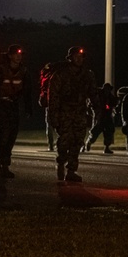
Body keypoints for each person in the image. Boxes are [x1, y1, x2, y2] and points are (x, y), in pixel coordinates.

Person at [47, 46, 97, 182]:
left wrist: (97, 109)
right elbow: (53, 97)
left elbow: (93, 94)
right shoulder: (60, 75)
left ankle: (71, 170)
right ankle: (61, 162)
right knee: (64, 141)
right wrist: (54, 117)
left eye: (81, 57)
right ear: (70, 58)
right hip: (64, 113)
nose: (79, 59)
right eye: (76, 57)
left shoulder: (88, 74)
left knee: (78, 142)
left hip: (80, 113)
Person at [0, 44, 32, 178]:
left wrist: (28, 108)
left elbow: (27, 91)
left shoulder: (23, 71)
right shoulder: (0, 70)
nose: (19, 56)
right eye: (16, 54)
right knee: (4, 132)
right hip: (0, 104)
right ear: (10, 56)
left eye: (21, 54)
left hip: (13, 106)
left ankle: (0, 164)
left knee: (12, 135)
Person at [86, 82, 117, 154]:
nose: (108, 91)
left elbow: (111, 105)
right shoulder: (98, 96)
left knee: (109, 132)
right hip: (99, 117)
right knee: (95, 133)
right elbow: (91, 104)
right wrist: (94, 111)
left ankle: (107, 147)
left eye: (109, 89)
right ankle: (89, 142)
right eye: (106, 89)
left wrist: (111, 106)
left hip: (107, 117)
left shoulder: (110, 97)